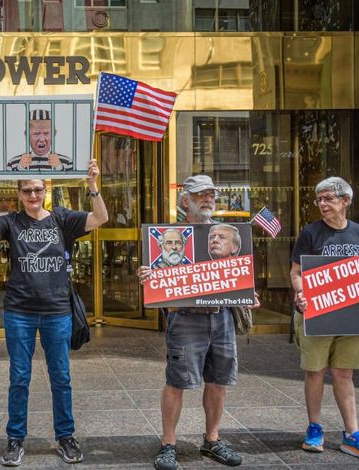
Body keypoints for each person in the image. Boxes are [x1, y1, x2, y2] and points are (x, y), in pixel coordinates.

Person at [0, 160, 108, 466]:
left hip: (57, 311)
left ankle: (65, 436)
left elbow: (101, 217)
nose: (32, 194)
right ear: (19, 194)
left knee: (61, 377)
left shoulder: (62, 218)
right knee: (19, 377)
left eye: (37, 189)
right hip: (19, 311)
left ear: (45, 191)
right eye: (26, 190)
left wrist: (93, 185)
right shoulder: (12, 222)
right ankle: (15, 439)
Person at [137, 175, 259, 470]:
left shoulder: (228, 235)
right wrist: (147, 276)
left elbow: (237, 278)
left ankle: (213, 439)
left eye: (210, 195)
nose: (206, 199)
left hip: (222, 317)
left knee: (218, 381)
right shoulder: (171, 236)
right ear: (185, 201)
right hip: (185, 318)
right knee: (176, 382)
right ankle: (168, 444)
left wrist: (247, 293)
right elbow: (158, 279)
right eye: (199, 194)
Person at [290, 176, 359, 461]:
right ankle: (315, 428)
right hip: (317, 313)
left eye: (328, 198)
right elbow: (296, 272)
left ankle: (353, 434)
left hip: (351, 317)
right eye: (319, 199)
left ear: (346, 201)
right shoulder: (310, 233)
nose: (322, 204)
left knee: (344, 373)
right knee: (315, 371)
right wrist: (301, 293)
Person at [6, 109, 73, 171]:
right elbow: (10, 183)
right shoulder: (13, 163)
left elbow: (72, 183)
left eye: (46, 133)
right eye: (36, 134)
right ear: (27, 135)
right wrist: (20, 168)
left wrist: (59, 167)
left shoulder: (67, 163)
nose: (41, 139)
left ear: (54, 134)